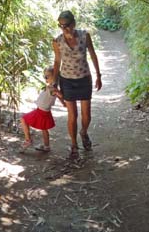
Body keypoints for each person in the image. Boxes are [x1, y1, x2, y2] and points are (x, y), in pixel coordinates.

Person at [52, 10, 102, 160]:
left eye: (67, 25)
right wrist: (54, 82)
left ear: (74, 23)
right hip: (66, 80)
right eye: (61, 26)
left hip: (84, 79)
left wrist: (99, 75)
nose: (64, 28)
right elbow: (56, 62)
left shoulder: (84, 36)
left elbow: (93, 54)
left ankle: (84, 132)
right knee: (72, 115)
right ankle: (74, 145)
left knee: (87, 115)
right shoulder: (57, 41)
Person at [19, 67, 64, 153]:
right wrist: (63, 102)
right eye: (45, 76)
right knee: (44, 128)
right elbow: (59, 96)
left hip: (41, 112)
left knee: (23, 119)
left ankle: (28, 140)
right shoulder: (51, 87)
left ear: (54, 77)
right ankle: (46, 146)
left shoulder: (52, 88)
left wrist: (58, 93)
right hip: (44, 111)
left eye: (47, 76)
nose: (45, 78)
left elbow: (60, 95)